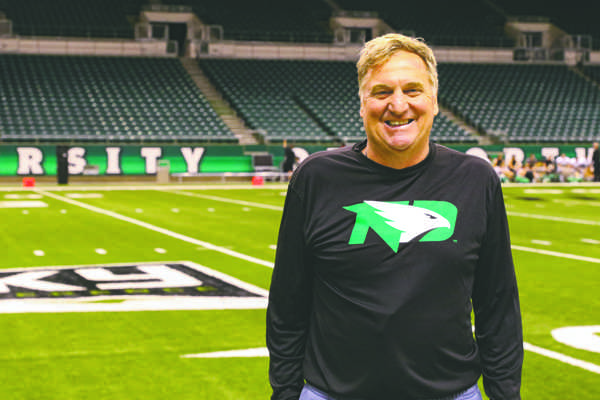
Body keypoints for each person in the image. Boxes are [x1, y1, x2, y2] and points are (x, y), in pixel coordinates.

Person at [267, 33, 523, 400]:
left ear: (435, 101)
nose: (398, 105)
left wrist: (505, 395)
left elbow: (497, 302)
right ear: (362, 103)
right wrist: (285, 393)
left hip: (451, 393)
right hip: (331, 393)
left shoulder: (475, 178)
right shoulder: (317, 177)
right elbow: (288, 302)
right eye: (382, 92)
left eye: (413, 90)